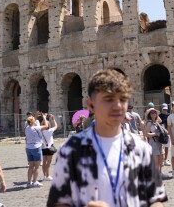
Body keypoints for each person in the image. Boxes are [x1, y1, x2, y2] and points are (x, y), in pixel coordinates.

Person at [48, 69, 167, 206]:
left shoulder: (141, 149)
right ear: (91, 105)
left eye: (123, 99)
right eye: (109, 99)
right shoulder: (70, 150)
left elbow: (155, 201)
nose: (117, 106)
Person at [25, 115, 49, 188]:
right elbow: (46, 126)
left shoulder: (26, 128)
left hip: (28, 148)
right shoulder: (36, 128)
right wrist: (44, 117)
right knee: (37, 167)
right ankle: (35, 181)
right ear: (33, 122)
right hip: (36, 147)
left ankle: (29, 182)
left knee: (31, 166)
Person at [145, 108, 164, 175]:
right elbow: (147, 134)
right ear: (149, 114)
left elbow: (160, 120)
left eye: (154, 112)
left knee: (161, 158)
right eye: (152, 113)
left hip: (159, 142)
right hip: (153, 142)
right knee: (155, 160)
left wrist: (156, 115)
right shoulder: (149, 123)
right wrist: (156, 134)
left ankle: (160, 173)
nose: (154, 114)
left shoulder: (156, 121)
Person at [41, 114, 58, 181]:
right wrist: (53, 119)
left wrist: (44, 118)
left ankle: (45, 176)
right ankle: (47, 176)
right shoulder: (50, 130)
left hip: (43, 148)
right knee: (48, 163)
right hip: (49, 147)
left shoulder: (41, 131)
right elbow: (56, 126)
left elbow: (41, 125)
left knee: (44, 162)